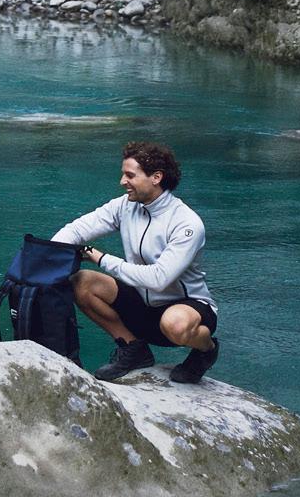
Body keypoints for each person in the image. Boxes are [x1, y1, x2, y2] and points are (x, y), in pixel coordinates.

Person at [52, 141, 219, 384]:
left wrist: (101, 258)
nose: (122, 181)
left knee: (175, 323)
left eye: (130, 175)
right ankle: (133, 348)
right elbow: (78, 229)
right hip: (142, 303)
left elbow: (159, 279)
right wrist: (49, 252)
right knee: (81, 282)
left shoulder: (187, 223)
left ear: (156, 177)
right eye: (123, 174)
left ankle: (206, 350)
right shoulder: (125, 205)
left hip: (186, 307)